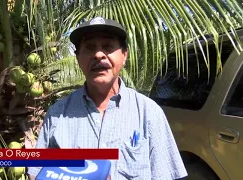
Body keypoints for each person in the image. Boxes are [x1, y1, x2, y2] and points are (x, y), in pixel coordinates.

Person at [28, 16, 188, 180]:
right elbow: (36, 174)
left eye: (108, 46)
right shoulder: (57, 115)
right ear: (78, 58)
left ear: (124, 55)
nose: (98, 54)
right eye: (89, 47)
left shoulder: (149, 114)